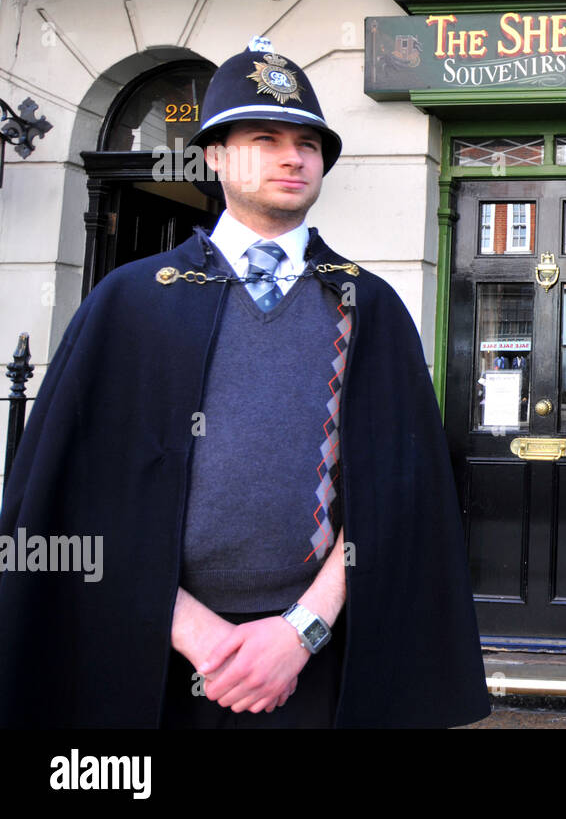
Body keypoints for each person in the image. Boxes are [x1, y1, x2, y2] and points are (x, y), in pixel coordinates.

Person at [0, 38, 490, 728]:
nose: (293, 157)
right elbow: (74, 494)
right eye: (264, 138)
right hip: (150, 660)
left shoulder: (367, 305)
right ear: (214, 157)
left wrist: (300, 631)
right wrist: (198, 634)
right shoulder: (131, 302)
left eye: (309, 143)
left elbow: (401, 503)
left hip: (318, 667)